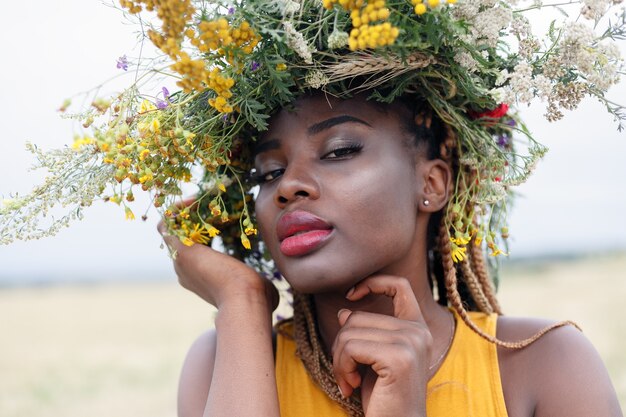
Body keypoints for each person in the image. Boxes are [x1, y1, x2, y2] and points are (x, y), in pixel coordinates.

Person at [159, 92, 622, 417]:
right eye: (269, 171)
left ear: (432, 184)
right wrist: (241, 301)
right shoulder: (223, 358)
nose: (288, 185)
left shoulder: (545, 365)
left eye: (339, 151)